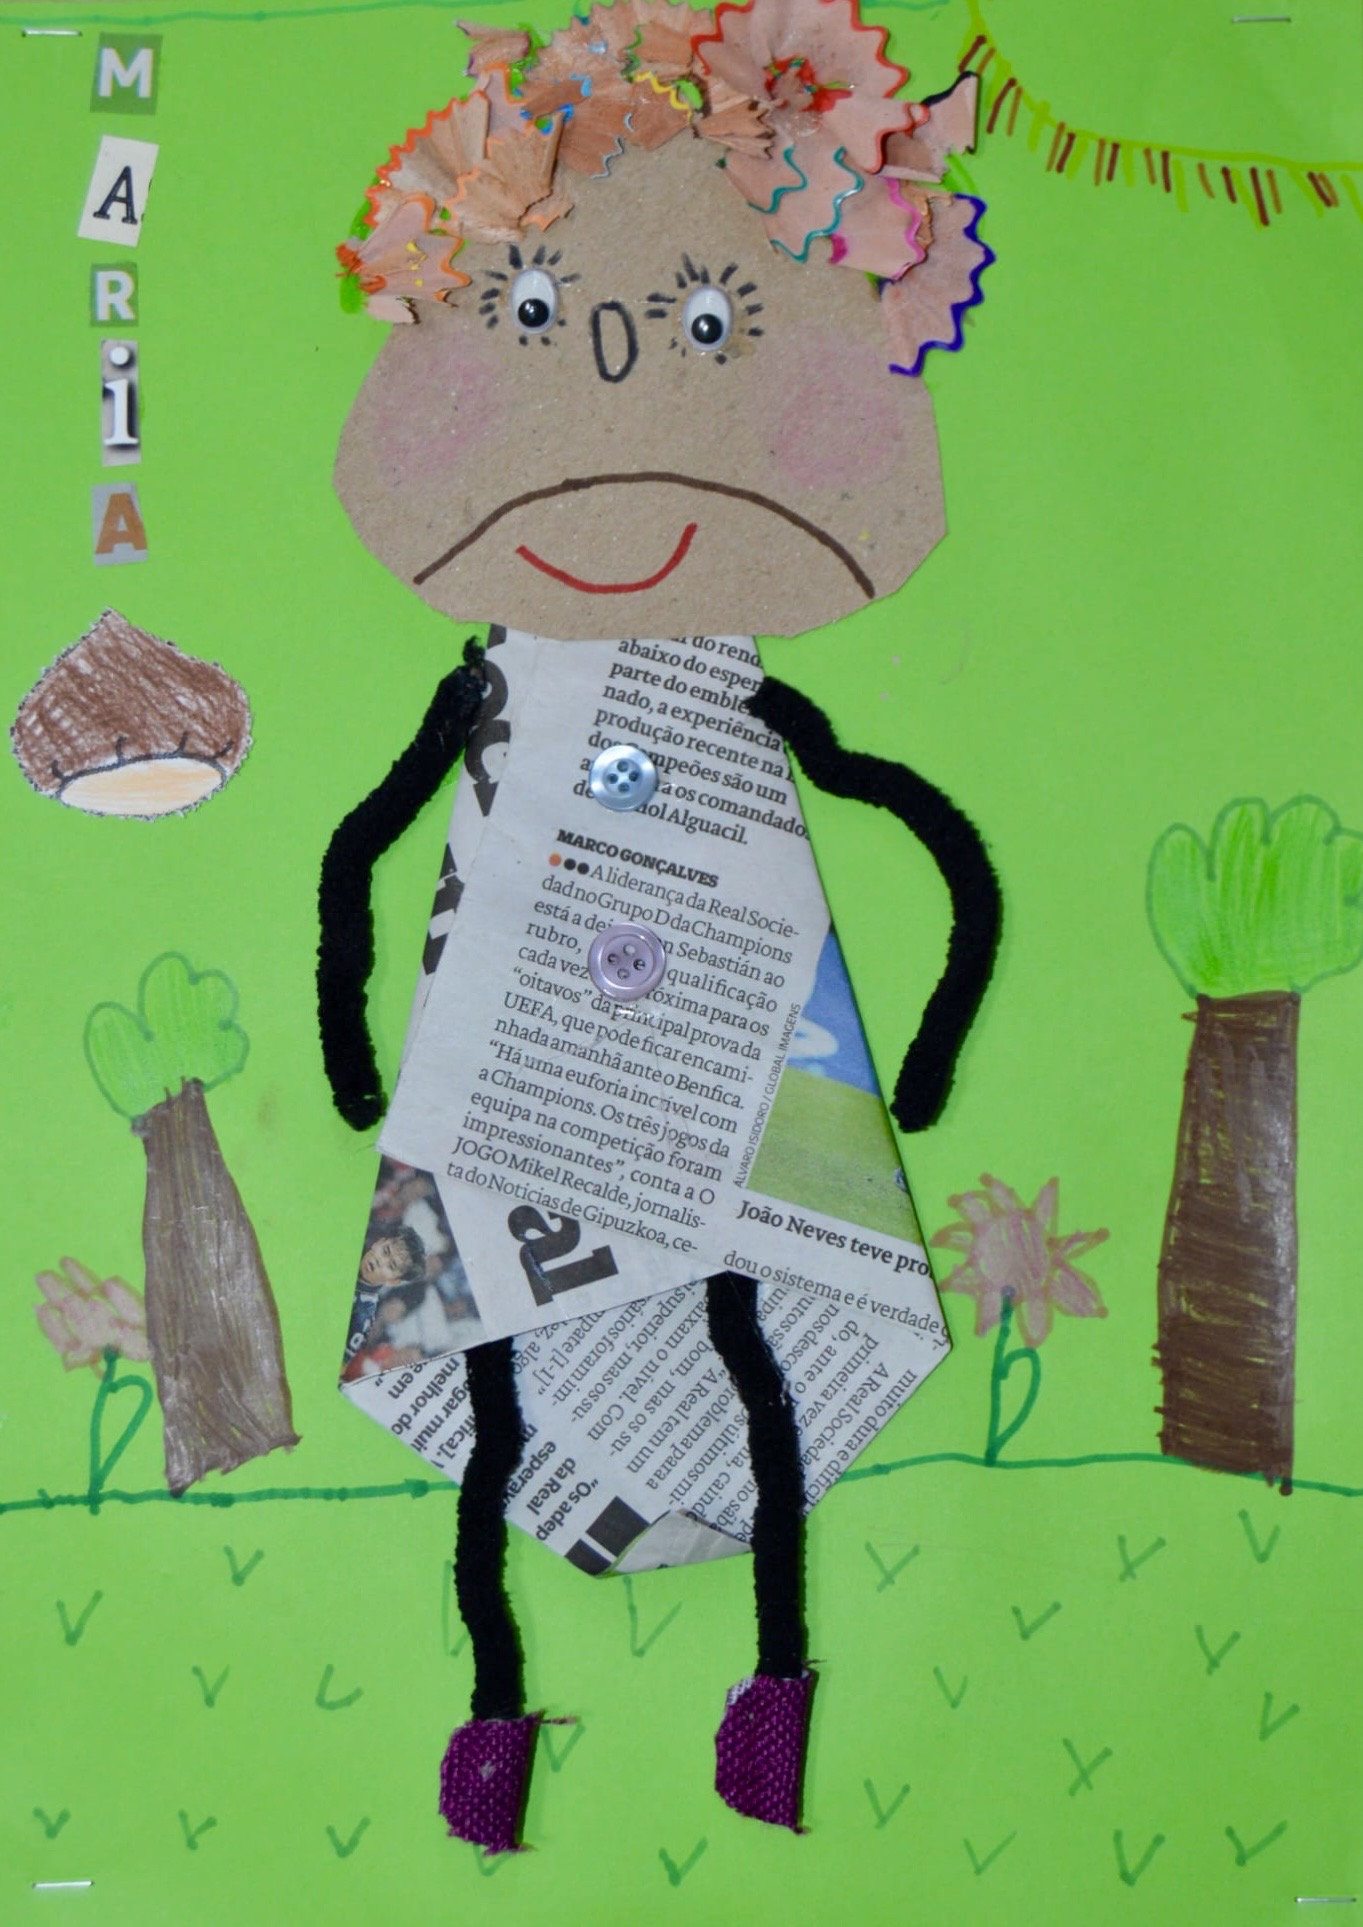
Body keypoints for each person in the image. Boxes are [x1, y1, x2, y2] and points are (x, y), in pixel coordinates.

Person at [320, 0, 999, 1852]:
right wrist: (358, 1039)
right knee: (494, 1338)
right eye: (542, 319)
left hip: (737, 1033)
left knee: (742, 1314)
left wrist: (934, 1039)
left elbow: (900, 813)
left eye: (706, 335)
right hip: (511, 1075)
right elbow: (372, 840)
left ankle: (761, 1690)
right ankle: (494, 1711)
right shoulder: (490, 693)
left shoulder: (745, 697)